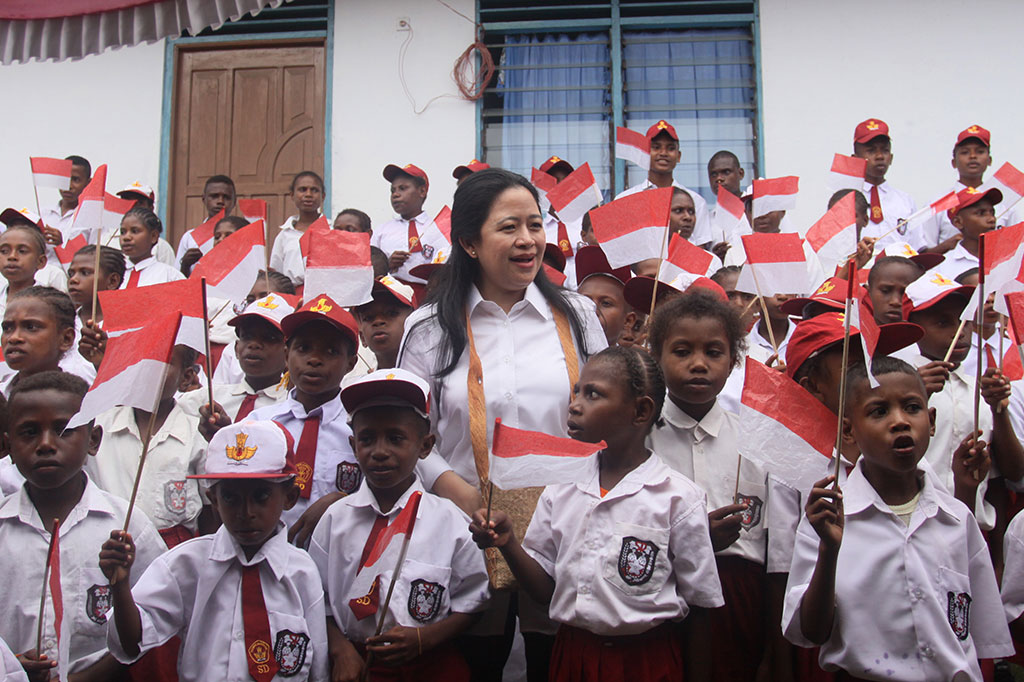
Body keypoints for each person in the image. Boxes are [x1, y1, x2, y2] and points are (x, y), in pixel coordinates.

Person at [399, 168, 606, 680]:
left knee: (553, 660)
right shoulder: (428, 329)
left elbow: (610, 414)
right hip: (464, 527)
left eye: (535, 226)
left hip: (564, 531)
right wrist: (461, 494)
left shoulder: (578, 315)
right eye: (509, 227)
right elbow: (409, 435)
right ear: (469, 242)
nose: (527, 241)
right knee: (477, 661)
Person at [470, 346, 723, 682]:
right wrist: (508, 543)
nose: (574, 404)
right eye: (576, 391)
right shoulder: (561, 487)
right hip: (574, 656)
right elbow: (545, 592)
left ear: (640, 411)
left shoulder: (678, 498)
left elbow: (700, 607)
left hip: (647, 662)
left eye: (593, 394)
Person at [782, 357, 1012, 680]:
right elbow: (813, 632)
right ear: (848, 430)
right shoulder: (830, 518)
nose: (900, 421)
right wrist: (828, 552)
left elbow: (975, 627)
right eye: (879, 411)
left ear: (931, 421)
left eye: (912, 408)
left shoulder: (957, 518)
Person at [102, 420, 329, 680]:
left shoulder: (302, 571)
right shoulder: (185, 564)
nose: (246, 513)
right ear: (213, 501)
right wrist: (120, 588)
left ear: (289, 497)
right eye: (230, 498)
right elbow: (132, 643)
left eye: (261, 496)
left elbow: (318, 664)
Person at [310, 369, 489, 681]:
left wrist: (427, 638)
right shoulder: (334, 521)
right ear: (353, 445)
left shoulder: (449, 522)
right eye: (367, 439)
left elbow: (473, 600)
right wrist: (340, 650)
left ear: (425, 446)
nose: (380, 452)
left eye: (396, 438)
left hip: (428, 663)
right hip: (353, 666)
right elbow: (316, 599)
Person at [0, 371, 165, 680]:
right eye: (29, 432)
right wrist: (11, 667)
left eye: (64, 430)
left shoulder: (127, 527)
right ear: (8, 445)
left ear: (93, 440)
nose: (46, 444)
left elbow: (152, 624)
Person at [646, 290, 767, 681]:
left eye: (713, 353)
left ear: (733, 361)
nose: (698, 364)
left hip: (738, 600)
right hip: (661, 594)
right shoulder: (639, 439)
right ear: (657, 357)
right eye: (682, 351)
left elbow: (777, 551)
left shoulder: (756, 441)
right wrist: (695, 539)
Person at [895, 273, 1024, 530]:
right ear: (913, 329)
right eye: (943, 323)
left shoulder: (978, 391)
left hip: (971, 533)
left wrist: (999, 409)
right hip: (909, 529)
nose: (960, 333)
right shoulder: (891, 385)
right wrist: (915, 396)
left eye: (964, 321)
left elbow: (1006, 477)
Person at [86, 344, 204, 547]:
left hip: (173, 553)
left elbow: (210, 511)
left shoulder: (196, 436)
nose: (149, 368)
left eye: (163, 362)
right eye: (140, 359)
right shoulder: (99, 427)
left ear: (185, 378)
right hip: (104, 547)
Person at [189, 292, 292, 438]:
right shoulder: (206, 400)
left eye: (269, 338)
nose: (254, 345)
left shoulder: (291, 407)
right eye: (247, 336)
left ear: (288, 352)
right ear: (236, 348)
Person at [617, 120, 711, 246]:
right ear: (644, 153)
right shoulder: (625, 200)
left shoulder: (696, 201)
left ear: (679, 156)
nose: (663, 153)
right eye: (656, 147)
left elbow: (701, 247)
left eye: (670, 148)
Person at [1, 286, 95, 395]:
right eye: (7, 328)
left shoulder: (82, 399)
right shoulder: (2, 394)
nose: (14, 338)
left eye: (31, 327)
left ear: (66, 338)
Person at [921, 125, 994, 253]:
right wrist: (946, 246)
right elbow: (923, 253)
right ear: (953, 162)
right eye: (965, 152)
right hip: (948, 271)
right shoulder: (938, 204)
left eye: (980, 151)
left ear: (989, 160)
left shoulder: (1004, 204)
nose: (972, 156)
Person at [851, 118, 920, 249]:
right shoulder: (847, 200)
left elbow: (916, 248)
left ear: (891, 158)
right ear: (855, 160)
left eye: (884, 150)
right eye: (871, 151)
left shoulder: (905, 201)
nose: (879, 157)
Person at [372, 164, 431, 286]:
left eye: (402, 188)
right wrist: (387, 265)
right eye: (393, 190)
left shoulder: (436, 228)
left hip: (428, 294)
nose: (395, 194)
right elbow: (369, 266)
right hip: (390, 293)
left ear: (422, 191)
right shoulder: (382, 231)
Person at [932, 186, 1001, 281]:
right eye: (981, 213)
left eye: (992, 213)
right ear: (958, 222)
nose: (992, 219)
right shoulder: (943, 268)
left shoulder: (1010, 259)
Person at [269, 171, 326, 286]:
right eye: (302, 189)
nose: (308, 194)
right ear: (292, 195)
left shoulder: (331, 229)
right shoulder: (284, 236)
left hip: (325, 294)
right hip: (293, 296)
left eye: (314, 190)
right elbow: (277, 274)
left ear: (323, 196)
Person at [353, 277, 416, 372]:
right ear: (362, 338)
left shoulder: (435, 380)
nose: (378, 321)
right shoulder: (358, 385)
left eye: (392, 313)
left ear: (416, 324)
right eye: (369, 317)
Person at [176, 175, 237, 271]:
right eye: (214, 196)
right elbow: (177, 280)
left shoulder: (242, 235)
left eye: (226, 197)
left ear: (234, 202)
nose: (220, 201)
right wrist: (185, 265)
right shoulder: (190, 238)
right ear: (204, 199)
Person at [574, 246, 631, 346]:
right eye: (585, 301)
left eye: (606, 303)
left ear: (628, 320)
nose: (593, 311)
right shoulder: (553, 359)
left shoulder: (635, 362)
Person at [119, 208, 185, 288]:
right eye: (123, 232)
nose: (126, 237)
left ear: (153, 236)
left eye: (135, 231)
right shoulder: (113, 275)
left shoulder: (170, 276)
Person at [39, 155, 90, 256]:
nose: (68, 186)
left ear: (88, 183)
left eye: (76, 180)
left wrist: (63, 245)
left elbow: (95, 256)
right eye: (64, 179)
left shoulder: (92, 219)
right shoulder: (42, 214)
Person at [865, 255, 925, 325]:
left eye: (906, 294)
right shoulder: (852, 330)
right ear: (868, 292)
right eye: (885, 291)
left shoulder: (927, 334)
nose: (895, 302)